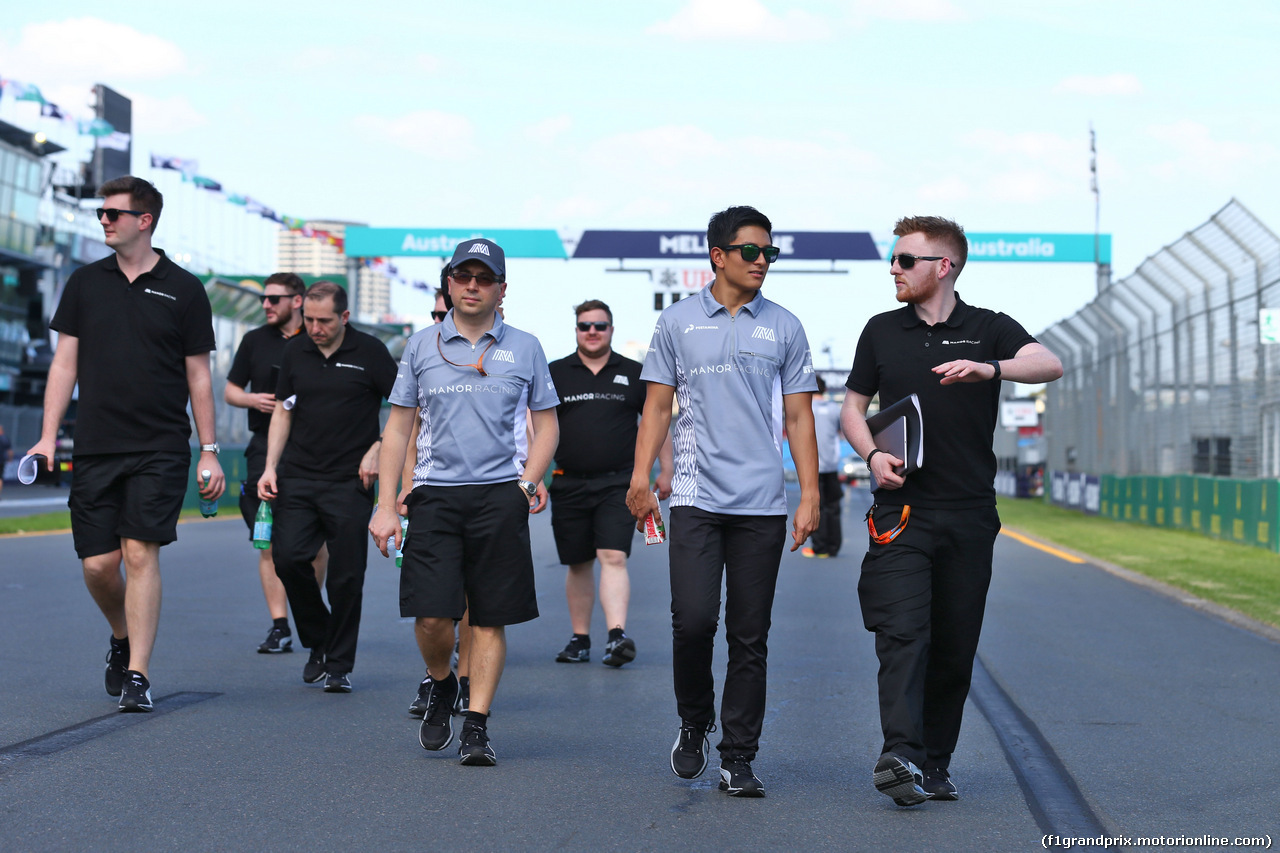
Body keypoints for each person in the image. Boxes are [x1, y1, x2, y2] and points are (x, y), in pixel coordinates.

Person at [840, 215, 1062, 806]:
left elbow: (1049, 363)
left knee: (954, 644)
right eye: (893, 259)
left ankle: (935, 764)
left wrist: (991, 367)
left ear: (944, 266)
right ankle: (900, 755)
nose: (893, 268)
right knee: (902, 632)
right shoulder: (880, 330)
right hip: (900, 511)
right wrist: (869, 455)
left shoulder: (987, 327)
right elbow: (852, 409)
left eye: (905, 260)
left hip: (968, 514)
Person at [628, 205, 820, 798]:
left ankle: (739, 757)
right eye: (751, 252)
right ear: (718, 256)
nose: (763, 262)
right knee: (693, 622)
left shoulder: (785, 325)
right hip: (694, 496)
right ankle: (694, 721)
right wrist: (640, 479)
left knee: (749, 633)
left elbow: (798, 415)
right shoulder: (678, 322)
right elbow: (657, 405)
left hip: (761, 502)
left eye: (770, 253)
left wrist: (810, 492)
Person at [26, 175, 224, 712]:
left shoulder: (185, 289)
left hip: (159, 445)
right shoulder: (85, 284)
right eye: (101, 214)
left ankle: (138, 673)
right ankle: (121, 636)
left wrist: (208, 449)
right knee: (97, 565)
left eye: (113, 213)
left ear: (145, 220)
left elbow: (199, 376)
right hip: (93, 444)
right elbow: (64, 362)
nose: (104, 221)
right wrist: (47, 437)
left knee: (140, 553)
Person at [370, 238, 559, 767]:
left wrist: (526, 483)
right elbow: (399, 426)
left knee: (488, 618)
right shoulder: (420, 345)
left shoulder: (525, 346)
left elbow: (547, 424)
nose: (473, 285)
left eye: (484, 278)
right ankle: (442, 681)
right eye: (463, 276)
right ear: (449, 282)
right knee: (432, 616)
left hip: (499, 496)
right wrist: (387, 503)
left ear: (502, 289)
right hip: (433, 495)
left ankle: (476, 725)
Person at [258, 280, 396, 694]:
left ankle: (338, 664)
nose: (315, 328)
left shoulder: (370, 352)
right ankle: (319, 638)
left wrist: (378, 447)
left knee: (346, 576)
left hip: (350, 480)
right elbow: (283, 412)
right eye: (309, 320)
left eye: (324, 321)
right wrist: (270, 467)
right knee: (287, 559)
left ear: (345, 317)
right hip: (298, 474)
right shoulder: (295, 350)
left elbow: (405, 409)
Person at [547, 300, 673, 667]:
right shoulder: (556, 372)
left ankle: (617, 635)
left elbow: (656, 422)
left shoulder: (635, 372)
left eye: (600, 326)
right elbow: (537, 426)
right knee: (579, 563)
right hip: (567, 483)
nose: (592, 332)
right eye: (585, 325)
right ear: (576, 330)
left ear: (611, 330)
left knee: (613, 555)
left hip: (620, 483)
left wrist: (666, 469)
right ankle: (580, 638)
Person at [224, 272, 328, 654]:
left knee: (314, 546)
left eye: (273, 299)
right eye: (263, 299)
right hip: (263, 447)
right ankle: (279, 625)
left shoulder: (319, 337)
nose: (265, 305)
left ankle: (307, 611)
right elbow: (230, 390)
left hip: (312, 451)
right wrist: (253, 400)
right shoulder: (254, 341)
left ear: (297, 301)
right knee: (266, 540)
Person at [803, 376, 846, 558]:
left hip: (812, 467)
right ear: (825, 390)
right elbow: (841, 433)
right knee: (833, 507)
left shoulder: (805, 409)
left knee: (816, 507)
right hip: (832, 465)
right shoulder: (834, 409)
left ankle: (819, 547)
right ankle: (834, 546)